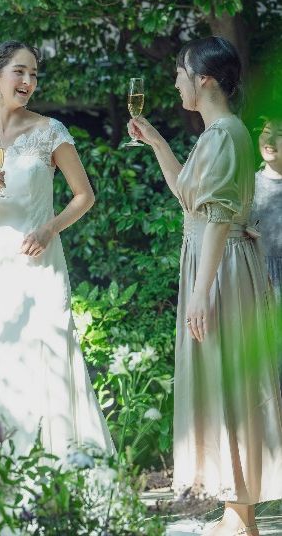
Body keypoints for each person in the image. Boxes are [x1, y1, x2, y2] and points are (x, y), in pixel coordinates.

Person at [128, 36, 282, 536]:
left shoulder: (224, 134)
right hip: (217, 263)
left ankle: (240, 516)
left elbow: (216, 217)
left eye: (181, 73)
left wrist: (200, 290)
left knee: (228, 379)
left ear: (205, 79)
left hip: (219, 269)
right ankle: (238, 515)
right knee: (224, 379)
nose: (176, 83)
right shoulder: (219, 134)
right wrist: (156, 140)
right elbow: (187, 196)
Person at [0, 41, 114, 464]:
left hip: (40, 262)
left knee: (50, 354)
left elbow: (84, 196)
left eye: (34, 74)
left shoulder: (49, 131)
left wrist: (50, 227)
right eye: (19, 71)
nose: (28, 81)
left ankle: (63, 467)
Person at [251, 121, 282, 301]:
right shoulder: (248, 185)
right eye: (267, 131)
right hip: (257, 279)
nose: (270, 140)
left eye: (280, 134)